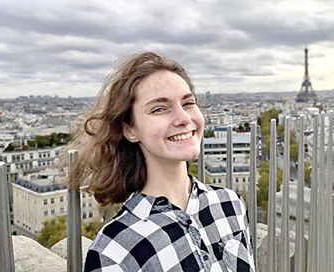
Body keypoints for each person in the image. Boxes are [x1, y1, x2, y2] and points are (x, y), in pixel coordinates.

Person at [69, 52, 255, 271]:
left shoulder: (230, 203)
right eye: (159, 109)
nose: (184, 119)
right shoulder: (114, 251)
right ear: (129, 129)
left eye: (188, 103)